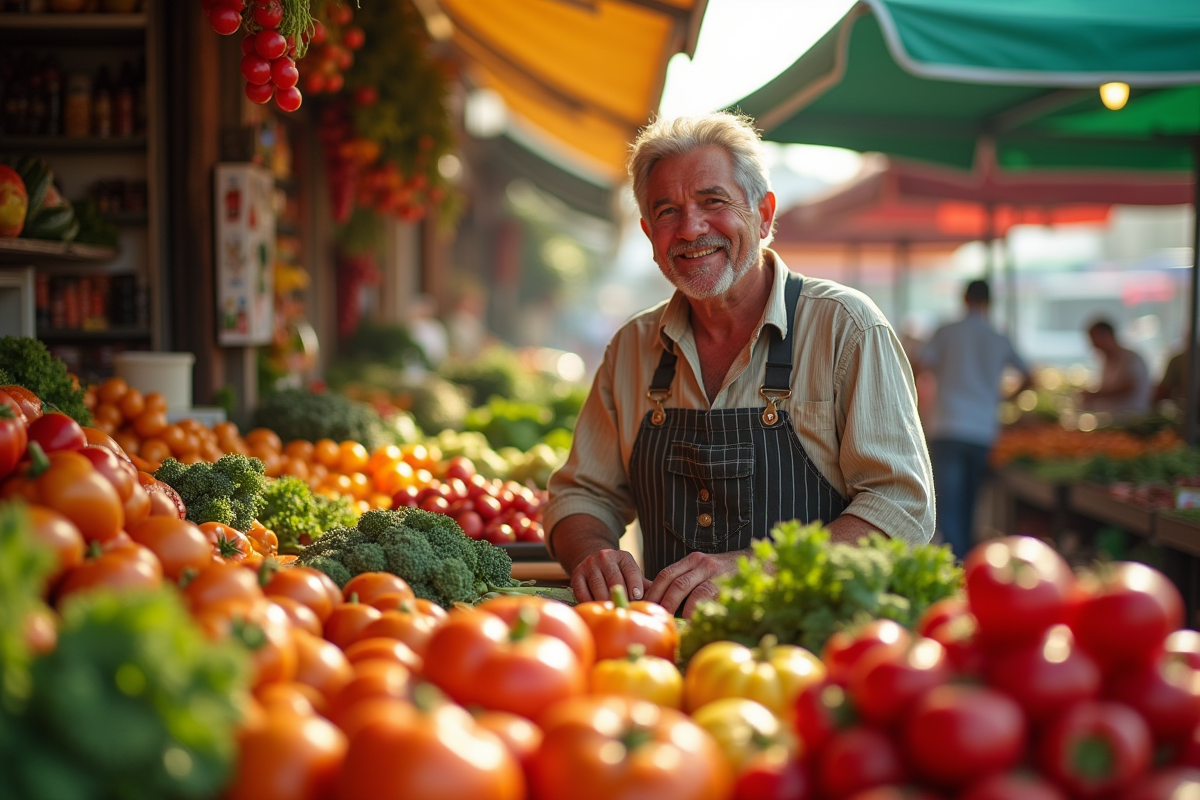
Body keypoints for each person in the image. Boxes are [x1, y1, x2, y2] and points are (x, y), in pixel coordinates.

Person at [543, 112, 935, 618]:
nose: (690, 228)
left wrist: (759, 569)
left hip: (813, 649)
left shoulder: (846, 328)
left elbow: (899, 508)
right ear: (648, 233)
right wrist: (593, 551)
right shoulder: (631, 348)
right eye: (667, 211)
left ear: (764, 214)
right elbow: (579, 494)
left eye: (713, 201)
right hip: (669, 656)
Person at [918, 280, 1032, 559]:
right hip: (982, 429)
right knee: (971, 503)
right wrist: (1002, 401)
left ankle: (956, 562)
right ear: (989, 301)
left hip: (947, 424)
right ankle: (967, 561)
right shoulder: (998, 336)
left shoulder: (946, 331)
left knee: (947, 503)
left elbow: (919, 365)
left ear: (964, 298)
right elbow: (1030, 377)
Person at [1081, 320, 1151, 419]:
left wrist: (1096, 395)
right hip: (1109, 419)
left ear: (1107, 336)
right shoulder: (1105, 360)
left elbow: (1129, 387)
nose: (1093, 345)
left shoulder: (1130, 358)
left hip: (1130, 420)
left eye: (1095, 339)